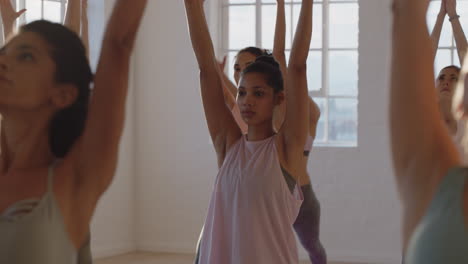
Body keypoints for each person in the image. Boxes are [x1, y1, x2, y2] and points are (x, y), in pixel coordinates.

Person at [0, 0, 147, 263]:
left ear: (62, 94)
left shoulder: (74, 179)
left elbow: (118, 43)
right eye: (3, 52)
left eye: (25, 56)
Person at [185, 0, 312, 262]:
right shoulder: (228, 144)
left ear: (278, 99)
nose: (247, 101)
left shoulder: (286, 149)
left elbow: (297, 66)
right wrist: (192, 7)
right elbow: (207, 71)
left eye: (258, 93)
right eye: (242, 92)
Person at [390, 0, 468, 263]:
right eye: (441, 77)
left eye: (454, 78)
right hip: (422, 217)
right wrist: (437, 18)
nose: (446, 81)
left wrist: (453, 16)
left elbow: (466, 56)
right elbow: (422, 56)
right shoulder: (423, 120)